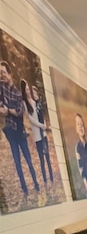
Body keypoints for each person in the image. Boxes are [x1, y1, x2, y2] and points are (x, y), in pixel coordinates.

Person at [0, 60, 40, 195]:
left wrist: (8, 110)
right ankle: (25, 189)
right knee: (17, 161)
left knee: (28, 159)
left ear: (10, 74)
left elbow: (18, 112)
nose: (2, 75)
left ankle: (36, 184)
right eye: (1, 73)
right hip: (10, 131)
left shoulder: (17, 93)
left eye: (4, 73)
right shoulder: (1, 87)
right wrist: (2, 108)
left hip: (19, 130)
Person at [21, 79, 52, 184]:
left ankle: (51, 177)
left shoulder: (35, 101)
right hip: (37, 135)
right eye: (26, 90)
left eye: (28, 89)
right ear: (24, 92)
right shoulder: (25, 103)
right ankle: (45, 180)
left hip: (43, 133)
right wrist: (41, 125)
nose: (28, 92)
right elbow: (31, 119)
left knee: (47, 156)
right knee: (41, 159)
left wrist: (44, 125)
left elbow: (40, 115)